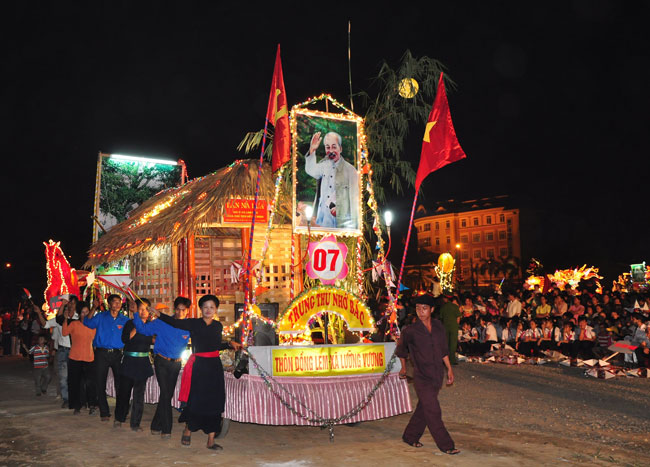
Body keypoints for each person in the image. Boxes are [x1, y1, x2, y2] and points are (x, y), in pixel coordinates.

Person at [152, 294, 241, 450]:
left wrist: (228, 343)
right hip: (199, 366)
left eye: (211, 307)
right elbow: (174, 322)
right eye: (205, 307)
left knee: (215, 400)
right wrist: (158, 314)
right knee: (196, 399)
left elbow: (214, 346)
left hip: (214, 367)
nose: (208, 310)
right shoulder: (193, 323)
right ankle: (188, 430)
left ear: (216, 309)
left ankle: (211, 440)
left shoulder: (217, 326)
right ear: (201, 309)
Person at [396, 294, 459, 455]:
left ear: (432, 309)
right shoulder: (411, 331)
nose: (421, 312)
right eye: (418, 308)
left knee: (424, 408)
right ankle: (446, 445)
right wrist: (403, 368)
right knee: (433, 410)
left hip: (437, 375)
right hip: (421, 376)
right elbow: (402, 351)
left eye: (424, 308)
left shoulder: (438, 326)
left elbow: (443, 350)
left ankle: (410, 436)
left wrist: (449, 369)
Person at [133, 296, 191, 439]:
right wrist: (135, 313)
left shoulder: (189, 326)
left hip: (176, 363)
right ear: (174, 308)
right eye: (178, 309)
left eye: (183, 310)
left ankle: (155, 425)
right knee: (165, 393)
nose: (180, 313)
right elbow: (142, 329)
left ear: (188, 311)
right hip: (161, 362)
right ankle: (166, 429)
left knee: (167, 395)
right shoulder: (162, 322)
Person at [82, 294, 129, 421]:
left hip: (117, 353)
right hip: (101, 353)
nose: (118, 304)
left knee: (120, 383)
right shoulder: (101, 316)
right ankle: (104, 412)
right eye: (115, 302)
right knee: (100, 382)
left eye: (119, 302)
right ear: (109, 304)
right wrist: (94, 307)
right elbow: (87, 322)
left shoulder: (124, 320)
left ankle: (120, 412)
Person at [305, 131, 359, 229]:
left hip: (342, 223)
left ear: (340, 148)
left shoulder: (351, 171)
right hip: (324, 221)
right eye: (328, 147)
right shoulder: (324, 165)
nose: (331, 151)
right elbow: (310, 170)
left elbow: (355, 203)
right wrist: (312, 149)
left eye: (334, 147)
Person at [114, 298, 154, 431]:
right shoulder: (130, 324)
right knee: (124, 393)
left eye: (146, 309)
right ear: (136, 310)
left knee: (138, 396)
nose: (143, 312)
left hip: (143, 364)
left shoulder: (151, 325)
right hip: (128, 363)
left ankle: (135, 423)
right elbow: (125, 339)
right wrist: (137, 326)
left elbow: (154, 340)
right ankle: (119, 418)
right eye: (141, 309)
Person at [62, 300, 97, 415]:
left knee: (90, 383)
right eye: (82, 312)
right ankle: (77, 406)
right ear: (79, 313)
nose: (85, 314)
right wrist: (66, 318)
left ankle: (92, 405)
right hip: (75, 357)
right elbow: (64, 332)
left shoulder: (93, 326)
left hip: (89, 357)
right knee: (75, 383)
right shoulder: (74, 324)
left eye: (87, 312)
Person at [439, 295, 461, 364]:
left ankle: (445, 359)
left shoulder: (443, 307)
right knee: (453, 344)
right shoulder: (455, 307)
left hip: (445, 327)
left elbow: (441, 317)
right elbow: (458, 318)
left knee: (446, 343)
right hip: (453, 327)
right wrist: (456, 325)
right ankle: (452, 360)